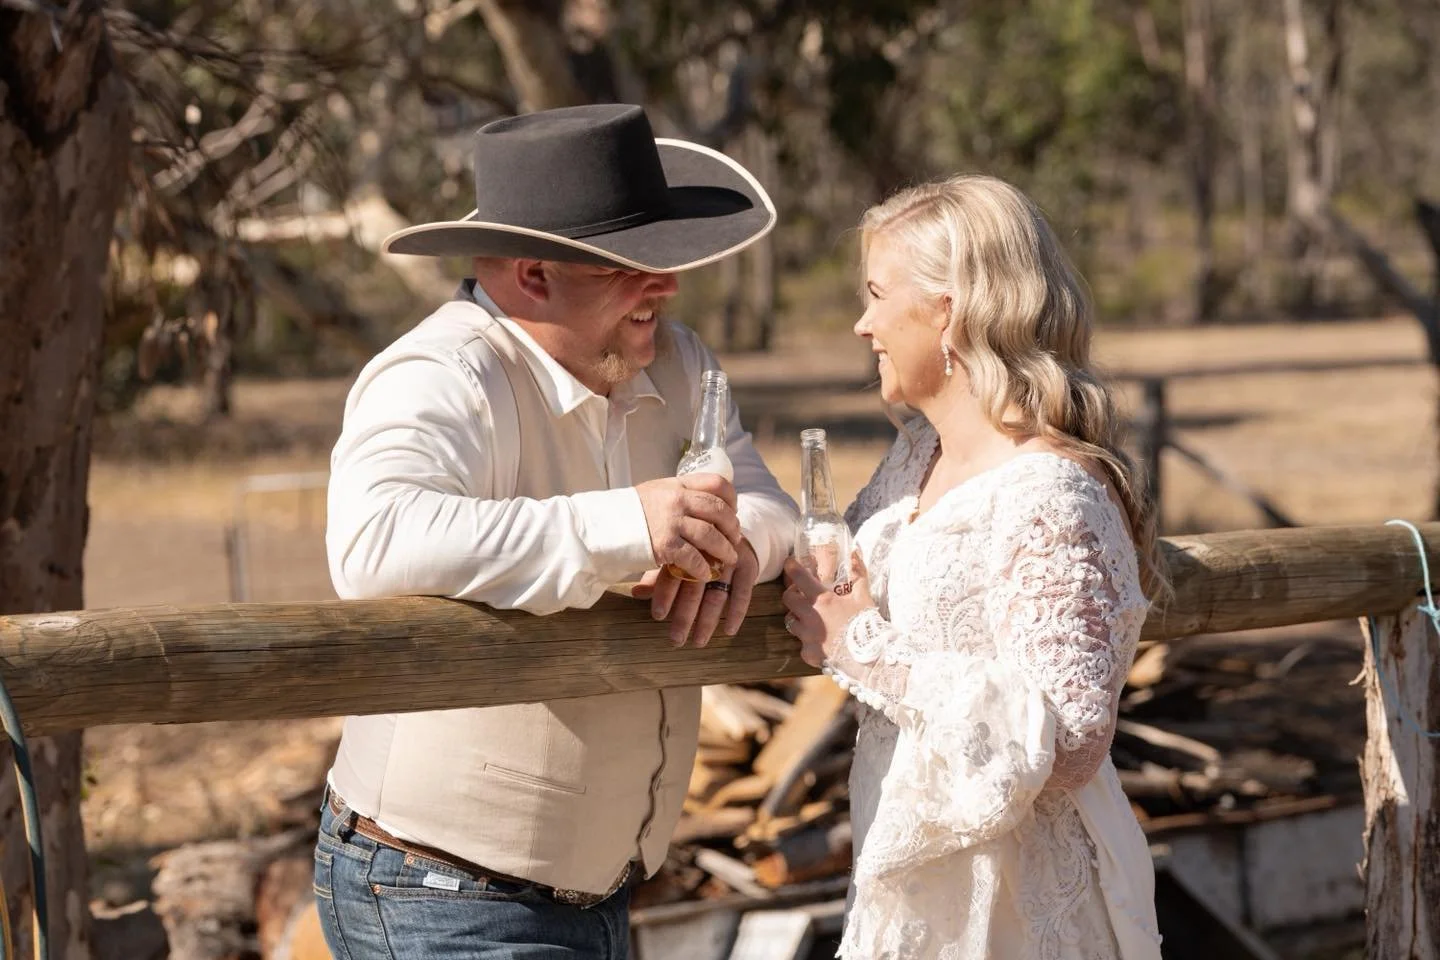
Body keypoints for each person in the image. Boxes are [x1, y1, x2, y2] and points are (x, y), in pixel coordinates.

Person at [313, 103, 798, 960]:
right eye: (633, 264)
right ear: (534, 275)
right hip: (442, 889)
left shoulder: (681, 360)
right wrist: (630, 526)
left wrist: (739, 547)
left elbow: (766, 501)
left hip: (599, 891)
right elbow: (373, 542)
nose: (666, 286)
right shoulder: (441, 372)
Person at [781, 175, 1165, 959]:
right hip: (908, 877)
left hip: (1014, 902)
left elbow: (1071, 743)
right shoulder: (913, 460)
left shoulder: (1052, 493)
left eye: (877, 295)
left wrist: (864, 648)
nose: (862, 324)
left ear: (946, 310)